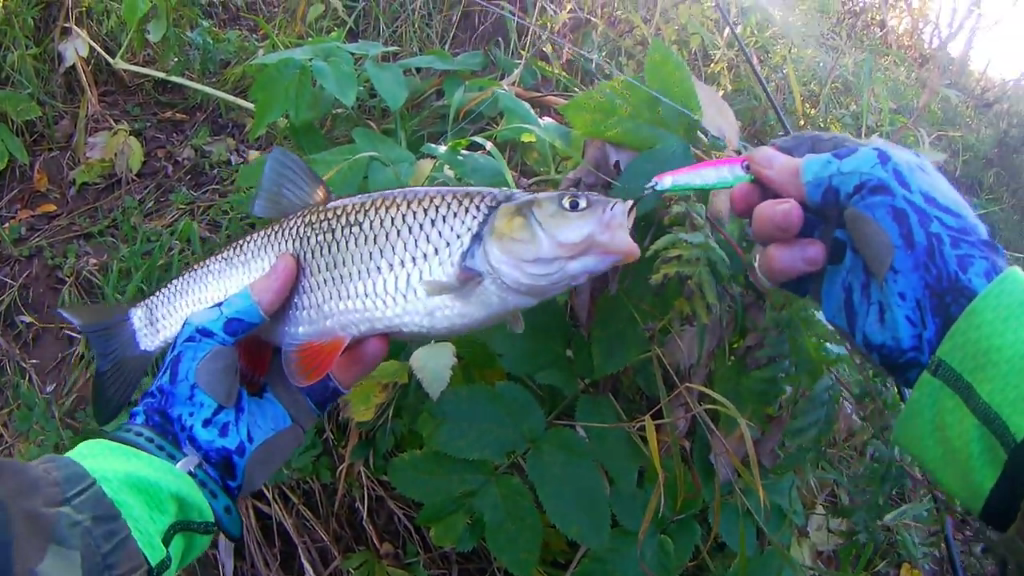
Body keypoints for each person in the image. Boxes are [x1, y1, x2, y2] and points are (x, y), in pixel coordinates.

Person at [2, 133, 1022, 575]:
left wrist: (153, 476)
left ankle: (134, 358)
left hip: (184, 423)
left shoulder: (491, 254)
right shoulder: (460, 250)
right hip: (286, 283)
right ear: (514, 221)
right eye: (571, 208)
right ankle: (128, 336)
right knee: (259, 334)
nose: (592, 215)